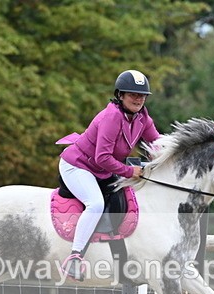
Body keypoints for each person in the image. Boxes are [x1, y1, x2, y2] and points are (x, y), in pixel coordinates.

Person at [57, 69, 161, 280]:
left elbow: (157, 144)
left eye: (142, 95)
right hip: (78, 165)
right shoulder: (112, 116)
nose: (138, 99)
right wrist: (130, 171)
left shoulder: (142, 117)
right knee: (95, 204)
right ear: (120, 95)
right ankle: (75, 258)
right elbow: (101, 158)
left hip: (102, 170)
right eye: (133, 94)